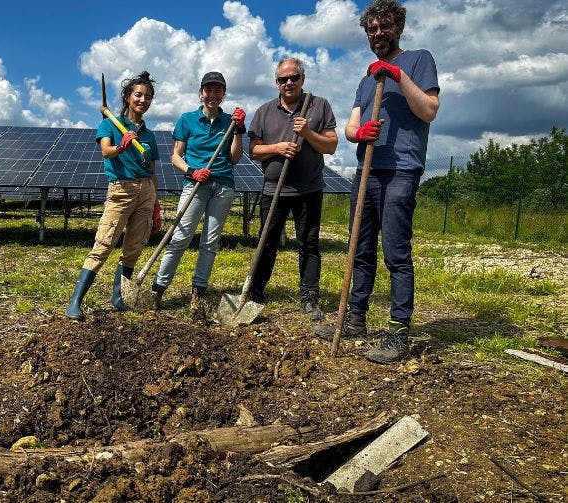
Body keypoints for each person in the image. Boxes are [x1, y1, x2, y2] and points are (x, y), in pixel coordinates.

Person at [315, 0, 440, 364]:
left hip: (401, 168)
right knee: (360, 248)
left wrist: (398, 76)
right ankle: (355, 320)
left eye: (384, 27)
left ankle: (399, 331)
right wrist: (359, 134)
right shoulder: (366, 79)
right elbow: (351, 126)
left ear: (398, 27)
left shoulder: (418, 60)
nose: (378, 34)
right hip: (366, 171)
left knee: (396, 252)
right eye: (372, 29)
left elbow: (429, 110)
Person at [247, 58, 338, 321]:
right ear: (276, 82)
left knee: (308, 244)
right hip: (273, 189)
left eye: (294, 77)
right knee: (266, 243)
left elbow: (330, 146)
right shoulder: (264, 111)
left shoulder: (319, 106)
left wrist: (308, 132)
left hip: (309, 189)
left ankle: (309, 298)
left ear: (302, 79)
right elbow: (254, 150)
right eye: (283, 79)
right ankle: (255, 293)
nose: (289, 83)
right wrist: (277, 148)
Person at [66, 71, 162, 320]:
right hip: (121, 190)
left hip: (146, 192)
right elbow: (106, 151)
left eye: (148, 97)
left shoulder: (149, 135)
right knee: (104, 244)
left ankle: (118, 297)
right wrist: (122, 146)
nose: (143, 100)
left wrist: (156, 204)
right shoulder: (109, 123)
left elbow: (152, 171)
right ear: (128, 97)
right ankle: (76, 301)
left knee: (134, 247)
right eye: (138, 95)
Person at [150, 71, 245, 319]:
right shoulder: (187, 120)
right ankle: (158, 288)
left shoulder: (230, 122)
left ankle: (198, 292)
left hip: (223, 185)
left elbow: (234, 159)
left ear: (223, 94)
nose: (212, 95)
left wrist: (238, 131)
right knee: (179, 237)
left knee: (210, 242)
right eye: (208, 90)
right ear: (201, 93)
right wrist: (192, 171)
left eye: (218, 90)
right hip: (195, 185)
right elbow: (175, 156)